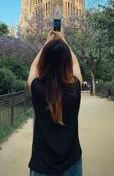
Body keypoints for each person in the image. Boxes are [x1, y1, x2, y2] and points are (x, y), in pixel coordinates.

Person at [27, 28, 83, 176]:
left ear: (44, 61)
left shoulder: (37, 88)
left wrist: (46, 44)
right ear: (67, 63)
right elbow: (76, 65)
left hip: (42, 165)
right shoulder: (75, 87)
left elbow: (33, 68)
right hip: (71, 163)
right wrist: (64, 41)